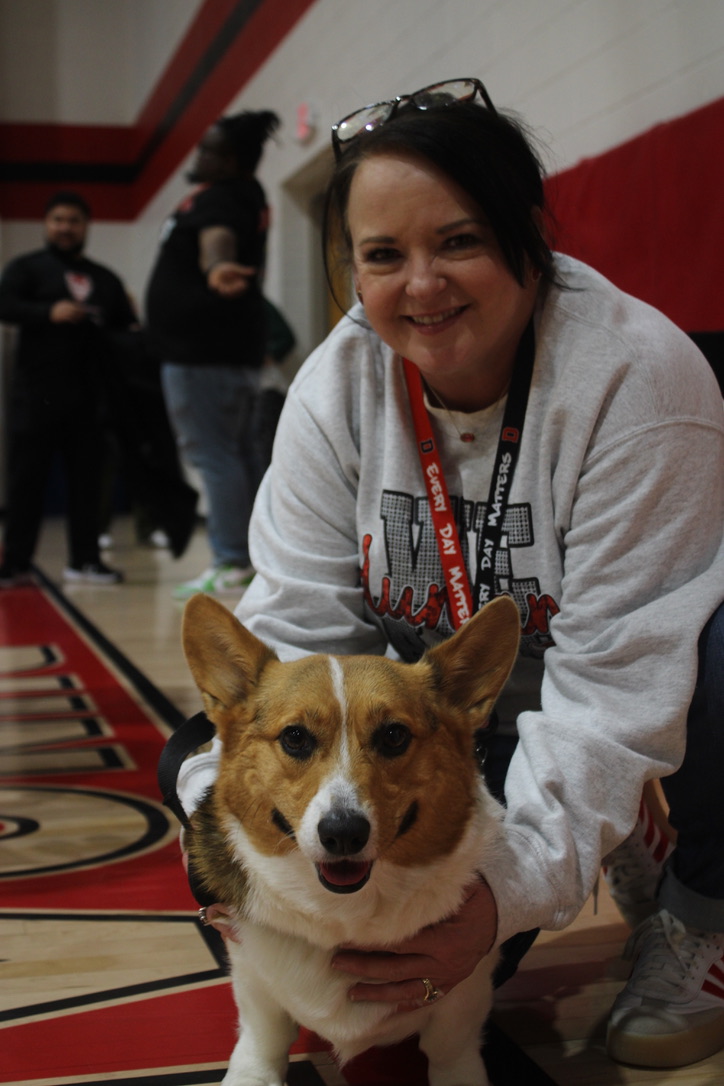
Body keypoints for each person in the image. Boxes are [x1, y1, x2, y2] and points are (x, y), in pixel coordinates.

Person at [176, 80, 724, 1069]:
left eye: (458, 242)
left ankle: (702, 907)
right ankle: (603, 836)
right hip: (413, 739)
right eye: (383, 256)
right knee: (208, 772)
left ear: (527, 237)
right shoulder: (335, 387)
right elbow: (293, 632)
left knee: (722, 655)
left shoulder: (639, 375)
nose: (420, 285)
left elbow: (618, 685)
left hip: (602, 691)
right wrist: (233, 830)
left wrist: (498, 898)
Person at [144, 109, 280, 600]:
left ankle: (229, 560)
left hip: (202, 354)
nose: (200, 156)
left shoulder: (222, 198)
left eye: (212, 150)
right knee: (238, 454)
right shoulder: (246, 195)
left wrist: (218, 266)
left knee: (215, 455)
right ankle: (249, 557)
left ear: (234, 161)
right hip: (228, 351)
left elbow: (215, 241)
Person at [0, 191, 132, 585]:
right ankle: (16, 563)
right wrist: (47, 312)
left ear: (86, 226)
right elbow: (3, 305)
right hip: (34, 397)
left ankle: (86, 560)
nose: (66, 227)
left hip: (88, 400)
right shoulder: (26, 269)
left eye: (74, 220)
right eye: (58, 219)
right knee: (27, 483)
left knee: (87, 485)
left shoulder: (105, 278)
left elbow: (126, 328)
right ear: (46, 224)